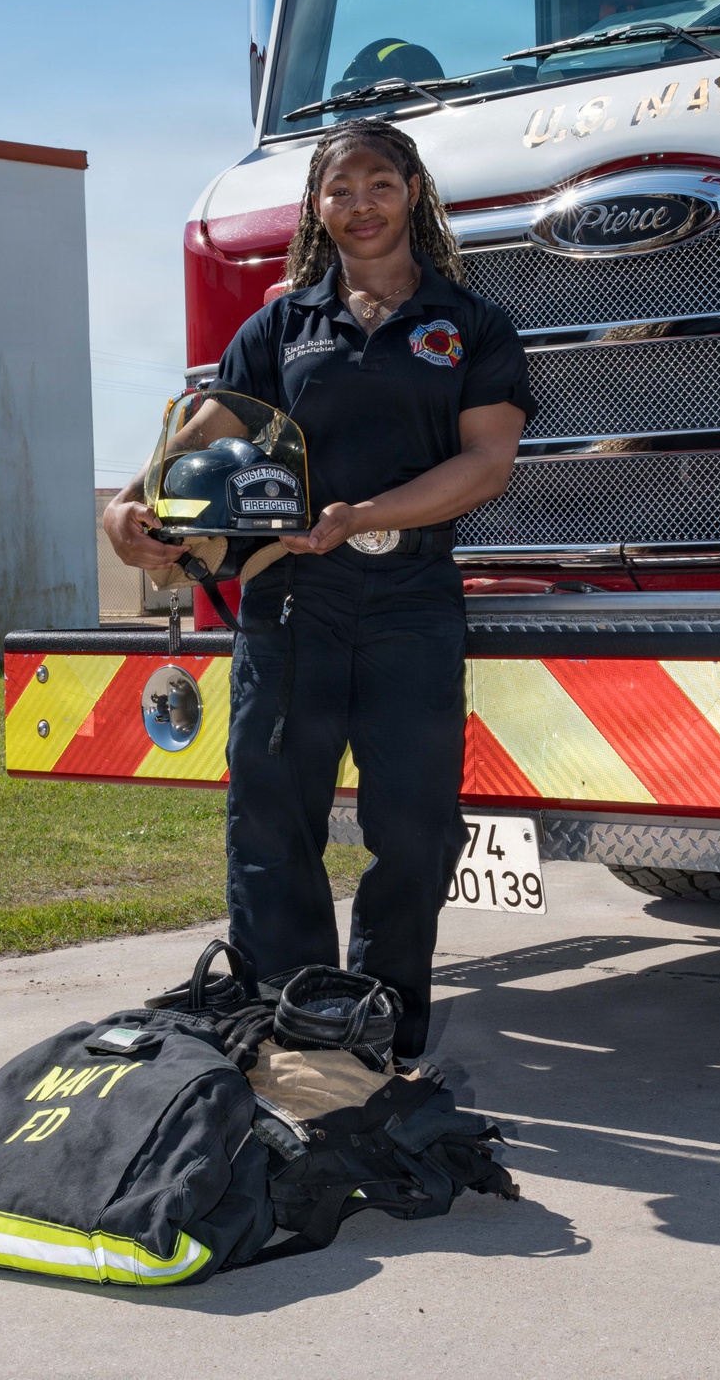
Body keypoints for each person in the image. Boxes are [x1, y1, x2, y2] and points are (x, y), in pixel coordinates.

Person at [105, 119, 536, 1057]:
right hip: (291, 603)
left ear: (412, 193)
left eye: (379, 185)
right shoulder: (283, 325)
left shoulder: (470, 325)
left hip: (412, 602)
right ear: (317, 207)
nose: (360, 206)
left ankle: (379, 1033)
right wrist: (131, 509)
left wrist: (364, 510)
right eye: (340, 192)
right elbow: (206, 429)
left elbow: (486, 465)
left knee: (415, 828)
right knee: (272, 819)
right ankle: (281, 1021)